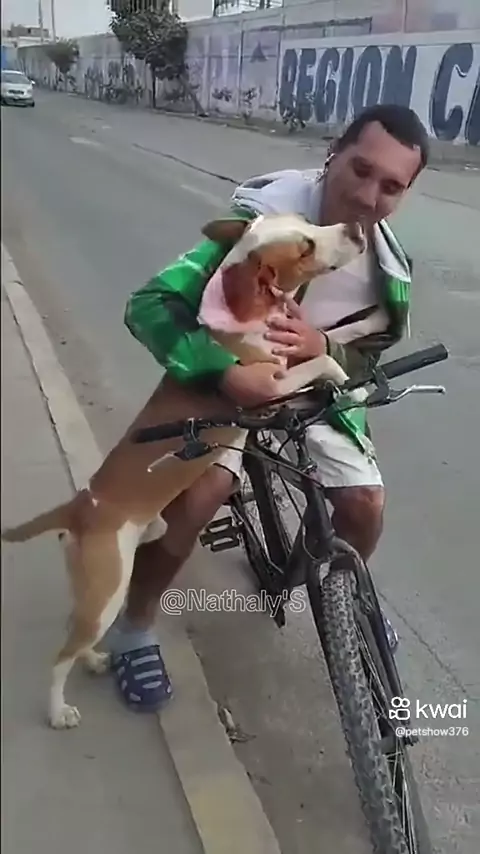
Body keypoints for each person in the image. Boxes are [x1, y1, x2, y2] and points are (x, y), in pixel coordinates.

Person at [107, 104, 430, 712]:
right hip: (229, 386)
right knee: (194, 502)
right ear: (333, 153)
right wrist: (225, 374)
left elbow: (369, 355)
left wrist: (325, 346)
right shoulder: (260, 227)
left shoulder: (388, 267)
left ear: (406, 193)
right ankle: (133, 627)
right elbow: (149, 306)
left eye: (391, 186)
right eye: (360, 169)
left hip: (315, 388)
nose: (368, 196)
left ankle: (343, 602)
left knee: (365, 507)